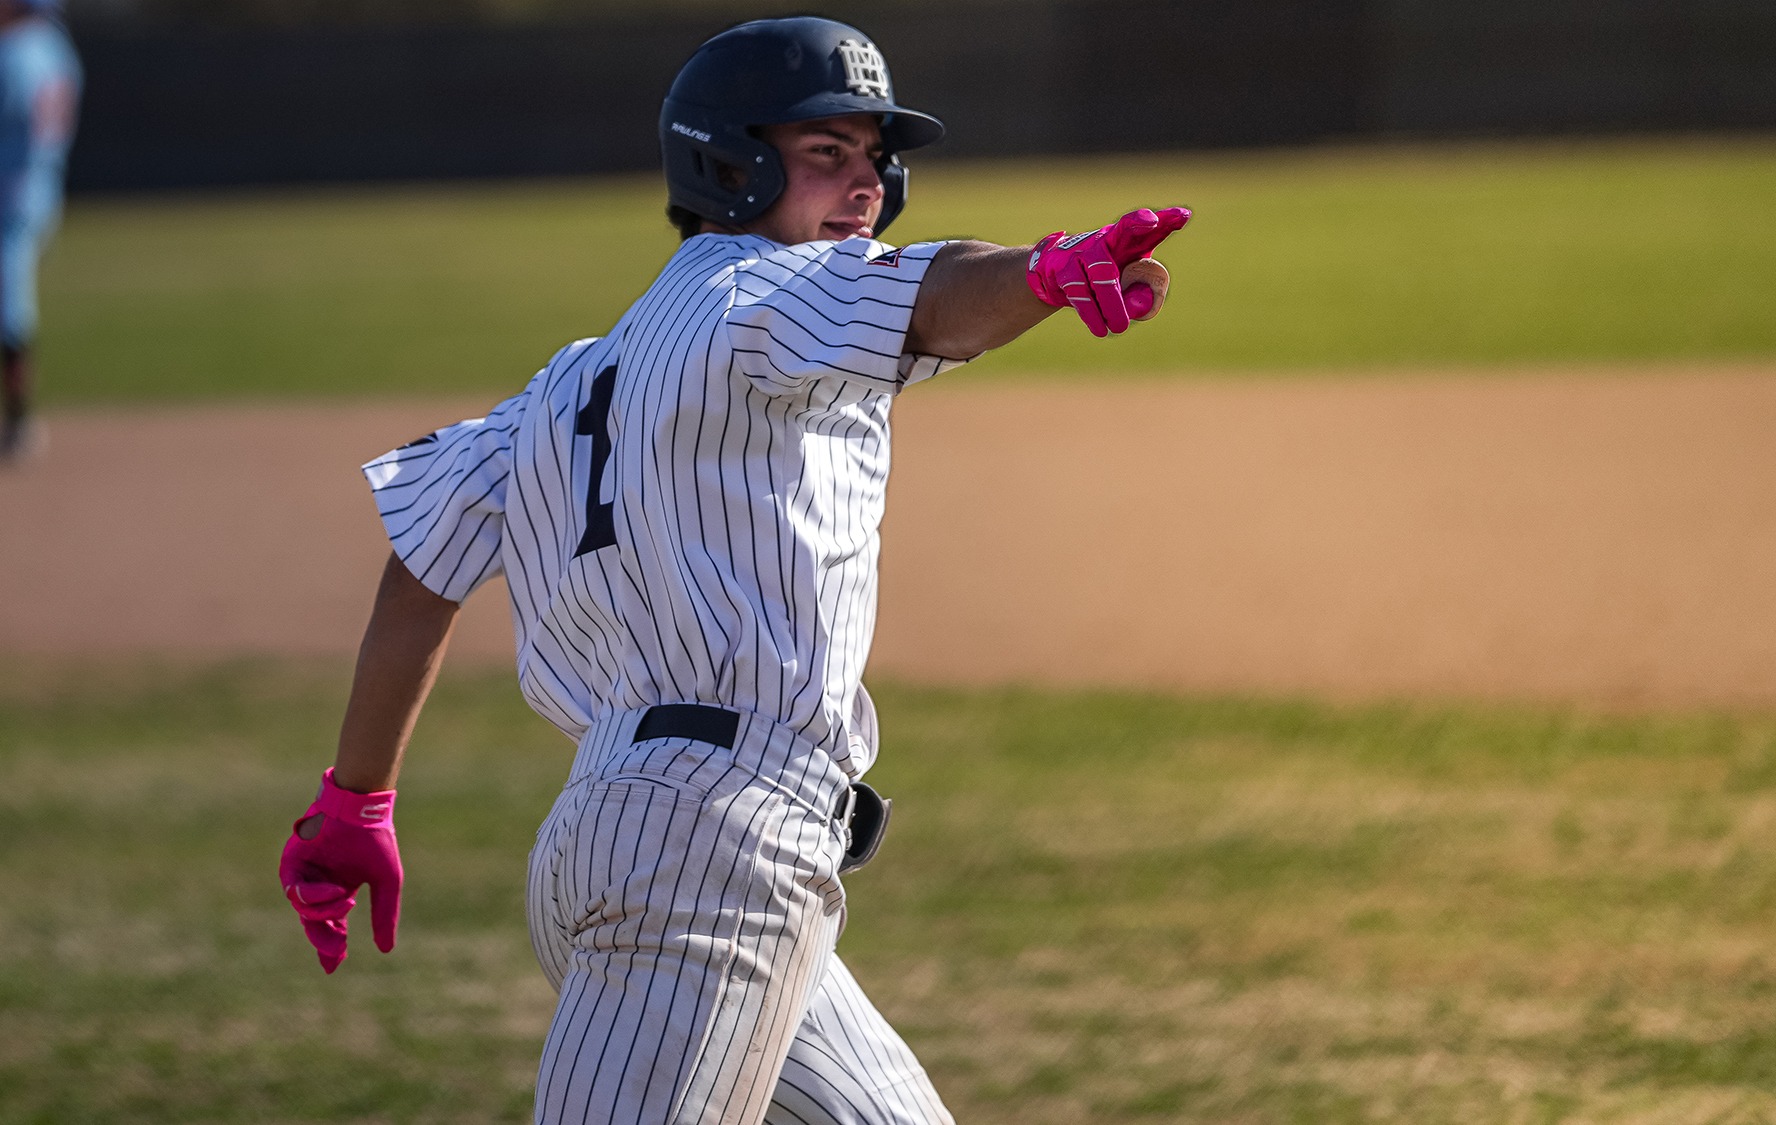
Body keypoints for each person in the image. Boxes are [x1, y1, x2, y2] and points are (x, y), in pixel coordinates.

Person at [279, 16, 1189, 1124]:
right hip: (709, 858)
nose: (864, 184)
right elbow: (933, 292)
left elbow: (422, 569)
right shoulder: (766, 297)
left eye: (873, 156)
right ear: (728, 161)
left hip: (636, 838)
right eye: (825, 154)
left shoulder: (570, 381)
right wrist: (1047, 272)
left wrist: (354, 799)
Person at [0, 0, 75, 462]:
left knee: (11, 310)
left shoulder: (16, 51)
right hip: (43, 195)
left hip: (11, 199)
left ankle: (21, 422)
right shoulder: (58, 49)